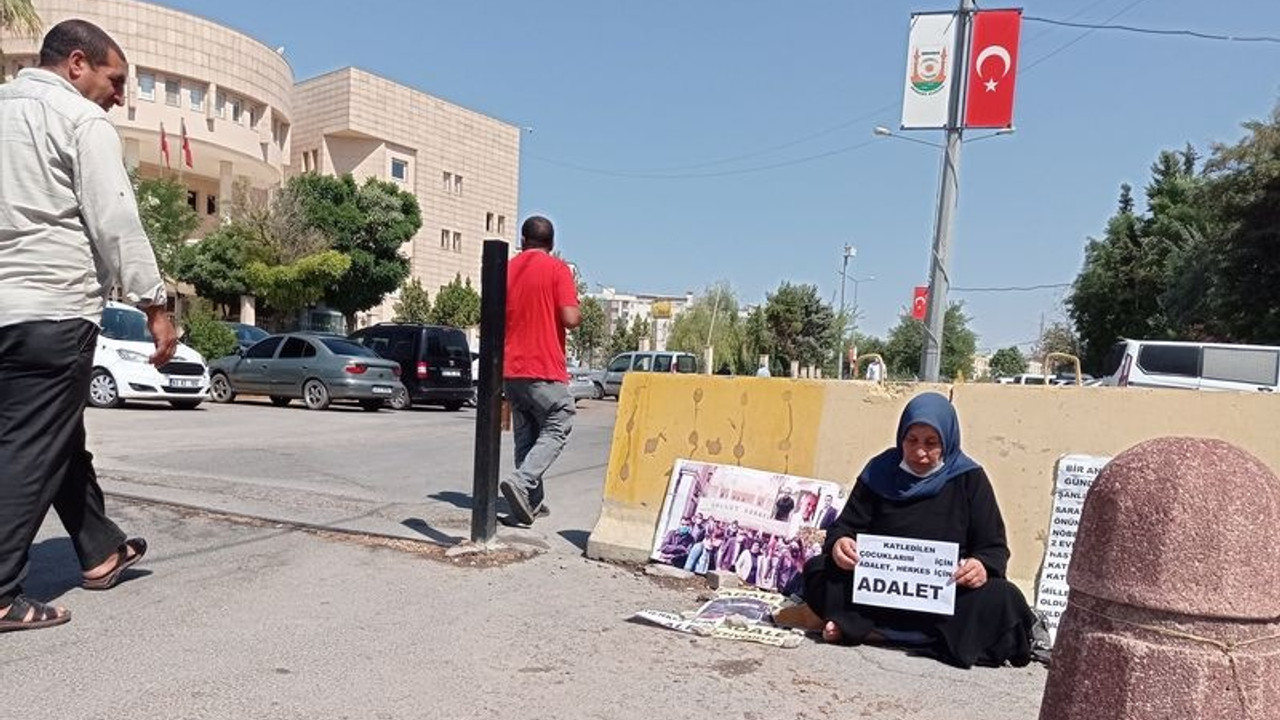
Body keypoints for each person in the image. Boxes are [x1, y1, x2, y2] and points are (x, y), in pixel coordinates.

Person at [0, 20, 176, 633]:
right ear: (78, 64)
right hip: (52, 305)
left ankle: (99, 549)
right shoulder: (80, 120)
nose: (119, 96)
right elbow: (114, 219)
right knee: (30, 447)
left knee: (50, 434)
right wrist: (155, 305)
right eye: (116, 79)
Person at [774, 392, 1036, 668]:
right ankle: (915, 637)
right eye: (912, 441)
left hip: (943, 596)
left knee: (1005, 599)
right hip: (878, 592)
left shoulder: (969, 478)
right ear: (901, 437)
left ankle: (869, 632)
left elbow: (993, 546)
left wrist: (980, 566)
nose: (920, 452)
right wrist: (841, 545)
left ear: (948, 440)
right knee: (818, 569)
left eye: (932, 443)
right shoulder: (879, 471)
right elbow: (844, 527)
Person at [499, 215, 581, 525]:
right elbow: (571, 318)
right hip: (543, 365)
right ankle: (521, 483)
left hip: (511, 369)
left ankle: (530, 502)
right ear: (552, 243)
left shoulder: (505, 269)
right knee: (560, 418)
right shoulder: (557, 269)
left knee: (526, 434)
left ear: (523, 240)